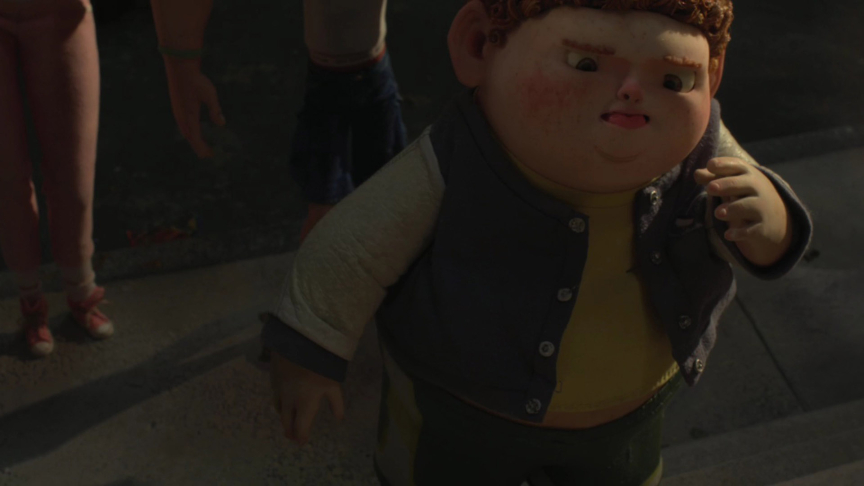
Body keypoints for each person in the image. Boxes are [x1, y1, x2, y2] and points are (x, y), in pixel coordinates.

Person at [262, 0, 813, 485]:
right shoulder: (459, 156)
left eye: (673, 80)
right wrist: (312, 347)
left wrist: (767, 221)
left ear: (712, 75)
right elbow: (357, 246)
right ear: (480, 45)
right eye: (585, 64)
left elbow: (759, 234)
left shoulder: (705, 149)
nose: (630, 91)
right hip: (459, 408)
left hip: (629, 413)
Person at [148, 0, 406, 241]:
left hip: (362, 75)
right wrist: (181, 64)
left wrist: (181, 64)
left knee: (383, 209)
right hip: (340, 79)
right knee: (333, 219)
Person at [0, 0, 114, 358]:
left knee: (74, 173)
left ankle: (81, 290)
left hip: (61, 10)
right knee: (6, 178)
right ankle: (30, 301)